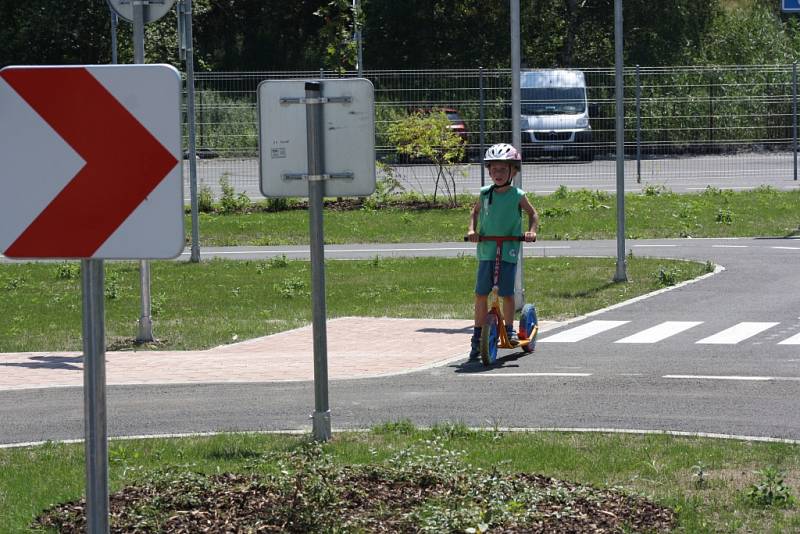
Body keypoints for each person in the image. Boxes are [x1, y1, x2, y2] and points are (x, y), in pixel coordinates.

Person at [466, 143, 539, 360]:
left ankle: (508, 328)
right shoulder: (484, 193)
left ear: (513, 171)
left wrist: (531, 231)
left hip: (508, 249)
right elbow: (474, 213)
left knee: (506, 293)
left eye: (502, 170)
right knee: (481, 294)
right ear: (488, 171)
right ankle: (477, 336)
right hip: (487, 249)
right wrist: (472, 230)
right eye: (494, 170)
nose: (497, 174)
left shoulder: (518, 195)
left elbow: (533, 215)